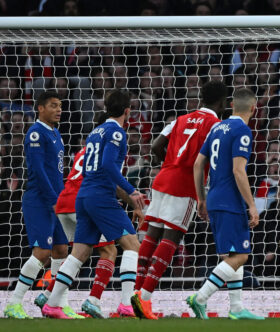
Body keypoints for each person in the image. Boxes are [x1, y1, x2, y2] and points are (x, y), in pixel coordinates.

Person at [42, 89, 145, 319]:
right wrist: (132, 191)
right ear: (127, 111)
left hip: (84, 195)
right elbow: (108, 165)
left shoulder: (96, 132)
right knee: (132, 245)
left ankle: (51, 303)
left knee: (80, 252)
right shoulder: (117, 132)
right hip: (101, 195)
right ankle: (127, 304)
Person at [131, 81, 228, 320]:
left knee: (151, 236)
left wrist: (171, 163)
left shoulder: (181, 119)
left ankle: (136, 293)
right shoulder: (216, 125)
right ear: (223, 102)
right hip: (185, 184)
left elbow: (155, 146)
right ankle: (144, 297)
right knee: (171, 240)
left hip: (163, 179)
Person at [187, 88, 263, 320]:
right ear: (253, 108)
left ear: (231, 106)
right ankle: (199, 297)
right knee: (241, 256)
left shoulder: (216, 127)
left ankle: (237, 307)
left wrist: (201, 198)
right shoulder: (243, 130)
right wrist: (251, 204)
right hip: (231, 201)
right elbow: (238, 170)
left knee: (232, 254)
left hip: (214, 197)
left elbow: (198, 164)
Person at [2, 91, 70, 319]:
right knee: (41, 252)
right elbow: (38, 171)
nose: (59, 109)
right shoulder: (35, 133)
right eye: (53, 105)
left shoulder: (56, 133)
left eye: (60, 105)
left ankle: (56, 303)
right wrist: (53, 200)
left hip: (55, 200)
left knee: (62, 250)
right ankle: (13, 303)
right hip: (40, 200)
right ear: (40, 108)